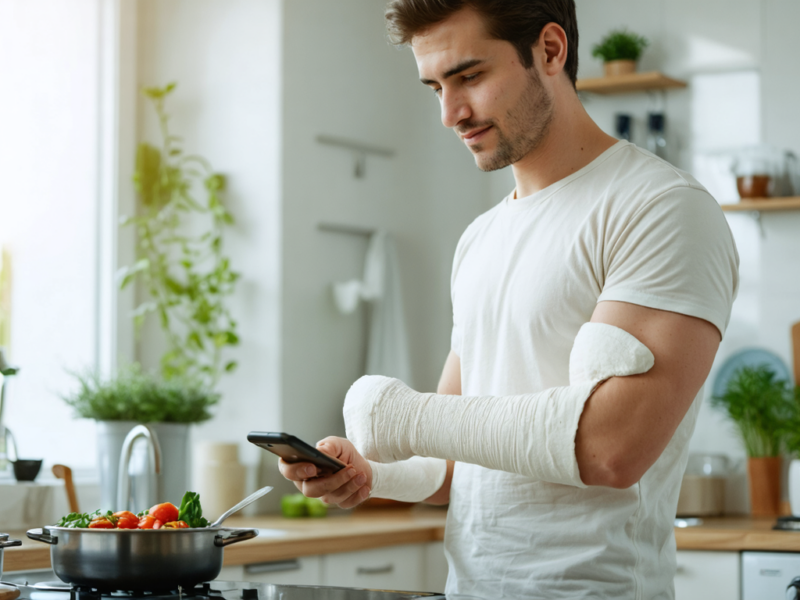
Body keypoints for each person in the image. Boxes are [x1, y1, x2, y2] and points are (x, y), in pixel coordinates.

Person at [279, 1, 739, 598]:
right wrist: (371, 472)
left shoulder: (662, 209)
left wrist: (401, 417)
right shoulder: (481, 238)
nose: (450, 113)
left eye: (469, 76)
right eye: (434, 86)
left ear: (550, 50)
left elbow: (612, 449)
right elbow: (450, 463)